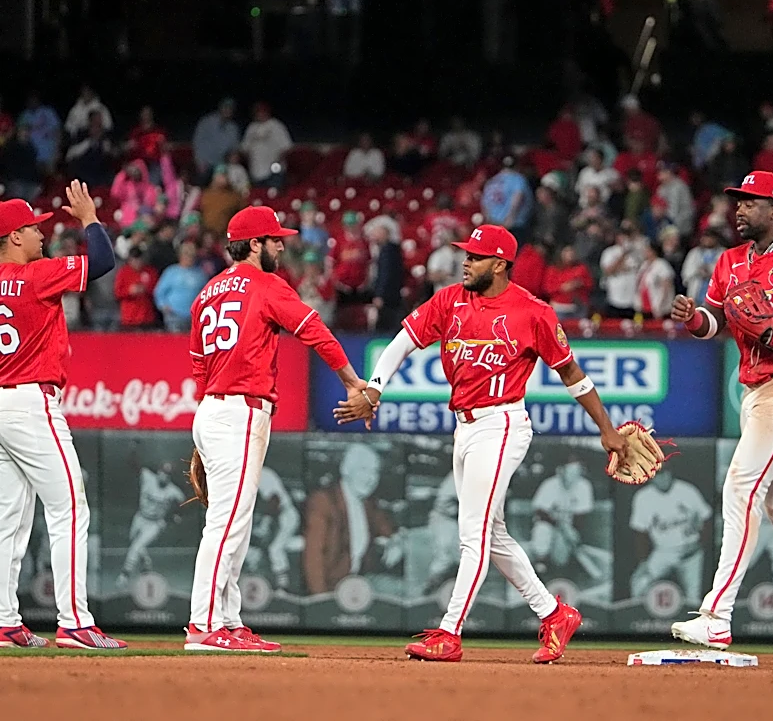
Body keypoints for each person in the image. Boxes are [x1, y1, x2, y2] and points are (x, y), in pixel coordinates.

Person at [334, 224, 627, 663]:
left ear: (500, 264)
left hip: (503, 423)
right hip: (465, 426)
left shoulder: (533, 312)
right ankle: (554, 613)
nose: (465, 262)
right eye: (465, 255)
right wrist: (375, 387)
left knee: (473, 534)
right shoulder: (450, 300)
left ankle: (450, 632)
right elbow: (402, 342)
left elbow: (572, 375)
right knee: (494, 532)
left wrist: (606, 428)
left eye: (475, 256)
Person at [186, 205, 368, 652]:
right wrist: (352, 381)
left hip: (213, 408)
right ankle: (204, 625)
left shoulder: (207, 291)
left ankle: (226, 620)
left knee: (235, 523)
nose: (281, 245)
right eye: (274, 239)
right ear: (254, 245)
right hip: (238, 411)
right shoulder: (266, 284)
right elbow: (313, 330)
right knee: (227, 524)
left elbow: (197, 365)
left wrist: (207, 418)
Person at [0, 181, 124, 649]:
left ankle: (5, 621)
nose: (39, 234)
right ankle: (74, 621)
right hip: (31, 402)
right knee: (69, 507)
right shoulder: (36, 276)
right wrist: (90, 218)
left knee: (8, 516)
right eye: (32, 229)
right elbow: (102, 262)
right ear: (13, 237)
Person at [671, 170, 773, 650]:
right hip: (757, 391)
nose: (739, 208)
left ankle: (717, 615)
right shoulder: (730, 261)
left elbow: (770, 334)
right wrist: (695, 319)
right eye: (737, 201)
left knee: (741, 488)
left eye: (751, 202)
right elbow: (714, 321)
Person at [302, 444, 398, 594]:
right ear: (345, 470)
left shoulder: (368, 503)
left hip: (358, 582)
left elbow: (387, 528)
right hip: (331, 589)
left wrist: (394, 543)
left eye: (375, 472)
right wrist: (319, 601)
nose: (371, 478)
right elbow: (314, 556)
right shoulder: (324, 501)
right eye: (364, 469)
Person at [629, 469, 712, 604]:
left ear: (670, 473)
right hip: (663, 551)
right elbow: (640, 532)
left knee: (693, 596)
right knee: (639, 583)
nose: (662, 478)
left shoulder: (687, 491)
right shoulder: (643, 497)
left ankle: (692, 623)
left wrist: (701, 544)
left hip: (691, 552)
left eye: (664, 473)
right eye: (657, 475)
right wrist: (643, 562)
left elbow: (707, 518)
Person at [116, 460, 186, 590]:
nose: (164, 476)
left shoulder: (173, 491)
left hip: (154, 523)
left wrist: (174, 517)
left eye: (168, 475)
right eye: (163, 473)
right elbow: (133, 465)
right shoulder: (148, 477)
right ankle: (146, 563)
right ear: (158, 472)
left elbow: (183, 504)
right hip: (140, 517)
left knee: (136, 547)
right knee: (134, 542)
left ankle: (124, 575)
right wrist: (133, 450)